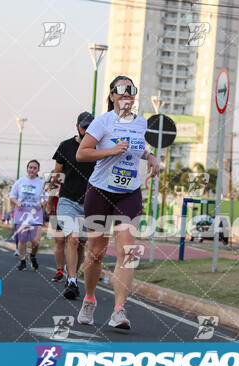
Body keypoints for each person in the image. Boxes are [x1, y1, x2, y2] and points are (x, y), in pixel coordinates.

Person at [75, 76, 159, 329]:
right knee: (97, 253)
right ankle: (89, 299)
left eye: (131, 89)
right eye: (121, 90)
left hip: (129, 192)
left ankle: (119, 310)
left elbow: (137, 148)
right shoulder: (103, 122)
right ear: (112, 95)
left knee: (128, 251)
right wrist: (110, 151)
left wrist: (151, 155)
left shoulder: (141, 122)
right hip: (100, 190)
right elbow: (82, 153)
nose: (127, 94)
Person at [47, 111, 96, 300]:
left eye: (90, 127)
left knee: (82, 243)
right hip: (67, 200)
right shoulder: (66, 146)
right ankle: (72, 280)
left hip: (90, 203)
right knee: (73, 239)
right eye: (84, 127)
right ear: (77, 127)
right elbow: (57, 176)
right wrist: (51, 201)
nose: (87, 130)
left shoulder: (98, 148)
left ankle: (73, 275)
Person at [9, 160, 46, 271]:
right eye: (30, 167)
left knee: (36, 241)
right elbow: (12, 196)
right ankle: (22, 261)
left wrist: (42, 204)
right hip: (21, 213)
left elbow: (47, 198)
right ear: (27, 168)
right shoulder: (20, 181)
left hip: (35, 214)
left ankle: (32, 256)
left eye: (34, 168)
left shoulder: (41, 183)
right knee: (22, 239)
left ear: (38, 170)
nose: (32, 170)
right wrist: (17, 203)